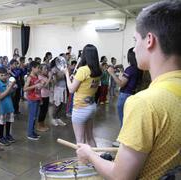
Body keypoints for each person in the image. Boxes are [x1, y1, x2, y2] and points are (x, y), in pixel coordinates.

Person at [76, 1, 181, 179]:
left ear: (149, 40)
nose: (134, 47)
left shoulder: (145, 103)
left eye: (135, 40)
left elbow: (121, 177)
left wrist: (90, 155)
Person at [64, 44, 101, 146]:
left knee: (80, 141)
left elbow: (71, 89)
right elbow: (85, 85)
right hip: (91, 106)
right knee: (90, 137)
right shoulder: (98, 70)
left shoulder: (83, 70)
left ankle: (82, 162)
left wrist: (67, 75)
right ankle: (94, 161)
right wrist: (74, 78)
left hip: (80, 108)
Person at [0, 67, 16, 146]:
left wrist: (13, 89)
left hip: (9, 105)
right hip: (2, 107)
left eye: (5, 75)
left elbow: (11, 94)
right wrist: (9, 88)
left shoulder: (8, 83)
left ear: (7, 75)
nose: (3, 77)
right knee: (1, 123)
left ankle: (7, 135)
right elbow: (0, 96)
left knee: (9, 121)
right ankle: (1, 137)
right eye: (1, 75)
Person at [24, 61, 43, 140]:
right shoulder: (29, 77)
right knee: (32, 117)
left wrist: (41, 85)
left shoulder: (36, 76)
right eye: (38, 68)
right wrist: (35, 85)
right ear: (33, 68)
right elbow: (25, 89)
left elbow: (37, 88)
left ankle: (33, 131)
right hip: (32, 99)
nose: (39, 69)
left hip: (37, 98)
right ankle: (30, 134)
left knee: (35, 116)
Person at [37, 64, 52, 132]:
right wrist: (49, 78)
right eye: (45, 69)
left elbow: (50, 84)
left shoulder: (44, 76)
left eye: (47, 69)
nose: (46, 70)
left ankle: (42, 124)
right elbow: (44, 86)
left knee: (45, 111)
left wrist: (49, 78)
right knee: (42, 111)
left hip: (46, 95)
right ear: (40, 70)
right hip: (42, 96)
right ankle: (39, 126)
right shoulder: (40, 77)